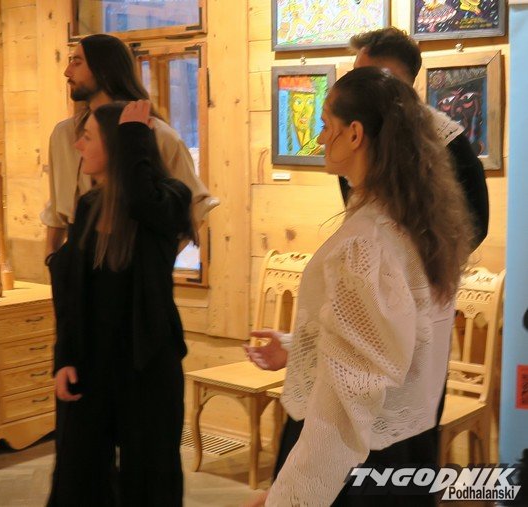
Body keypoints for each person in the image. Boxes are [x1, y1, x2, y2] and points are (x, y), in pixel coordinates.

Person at [245, 68, 473, 506]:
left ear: (354, 134)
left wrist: (288, 498)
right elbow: (391, 342)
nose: (318, 139)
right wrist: (297, 345)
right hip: (403, 452)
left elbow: (346, 405)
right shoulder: (421, 225)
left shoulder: (366, 243)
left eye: (325, 125)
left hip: (356, 465)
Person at [46, 100, 195, 506]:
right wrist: (64, 356)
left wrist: (132, 135)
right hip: (91, 364)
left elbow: (142, 202)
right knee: (79, 479)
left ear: (117, 145)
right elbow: (73, 292)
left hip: (148, 366)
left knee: (149, 482)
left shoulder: (170, 199)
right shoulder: (89, 205)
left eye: (88, 137)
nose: (78, 145)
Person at [42, 33, 217, 257]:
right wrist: (52, 260)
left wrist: (155, 261)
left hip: (130, 264)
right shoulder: (64, 135)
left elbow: (196, 206)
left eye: (77, 62)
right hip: (78, 267)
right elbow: (56, 211)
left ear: (104, 70)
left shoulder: (158, 136)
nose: (67, 72)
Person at [345, 27, 489, 249]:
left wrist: (421, 260)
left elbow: (476, 223)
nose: (354, 86)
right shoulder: (355, 132)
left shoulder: (446, 137)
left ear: (397, 80)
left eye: (365, 77)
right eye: (355, 75)